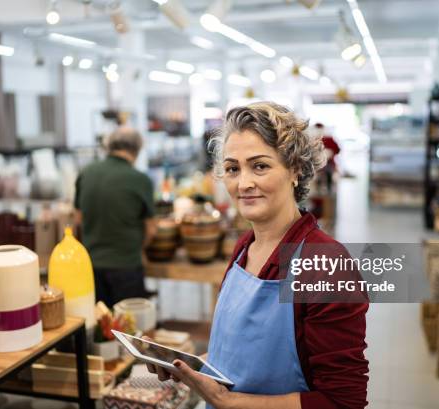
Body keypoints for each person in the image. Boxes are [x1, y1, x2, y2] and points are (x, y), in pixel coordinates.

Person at [147, 102, 369, 408]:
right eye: (232, 169)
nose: (244, 183)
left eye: (260, 166)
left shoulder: (326, 265)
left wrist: (231, 402)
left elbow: (342, 401)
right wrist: (191, 366)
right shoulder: (244, 248)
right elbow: (238, 352)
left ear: (296, 169)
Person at [74, 127, 157, 308]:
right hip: (126, 268)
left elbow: (78, 221)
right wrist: (139, 248)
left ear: (109, 146)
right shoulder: (140, 179)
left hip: (91, 267)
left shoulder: (86, 173)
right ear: (136, 150)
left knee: (100, 326)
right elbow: (151, 230)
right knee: (128, 330)